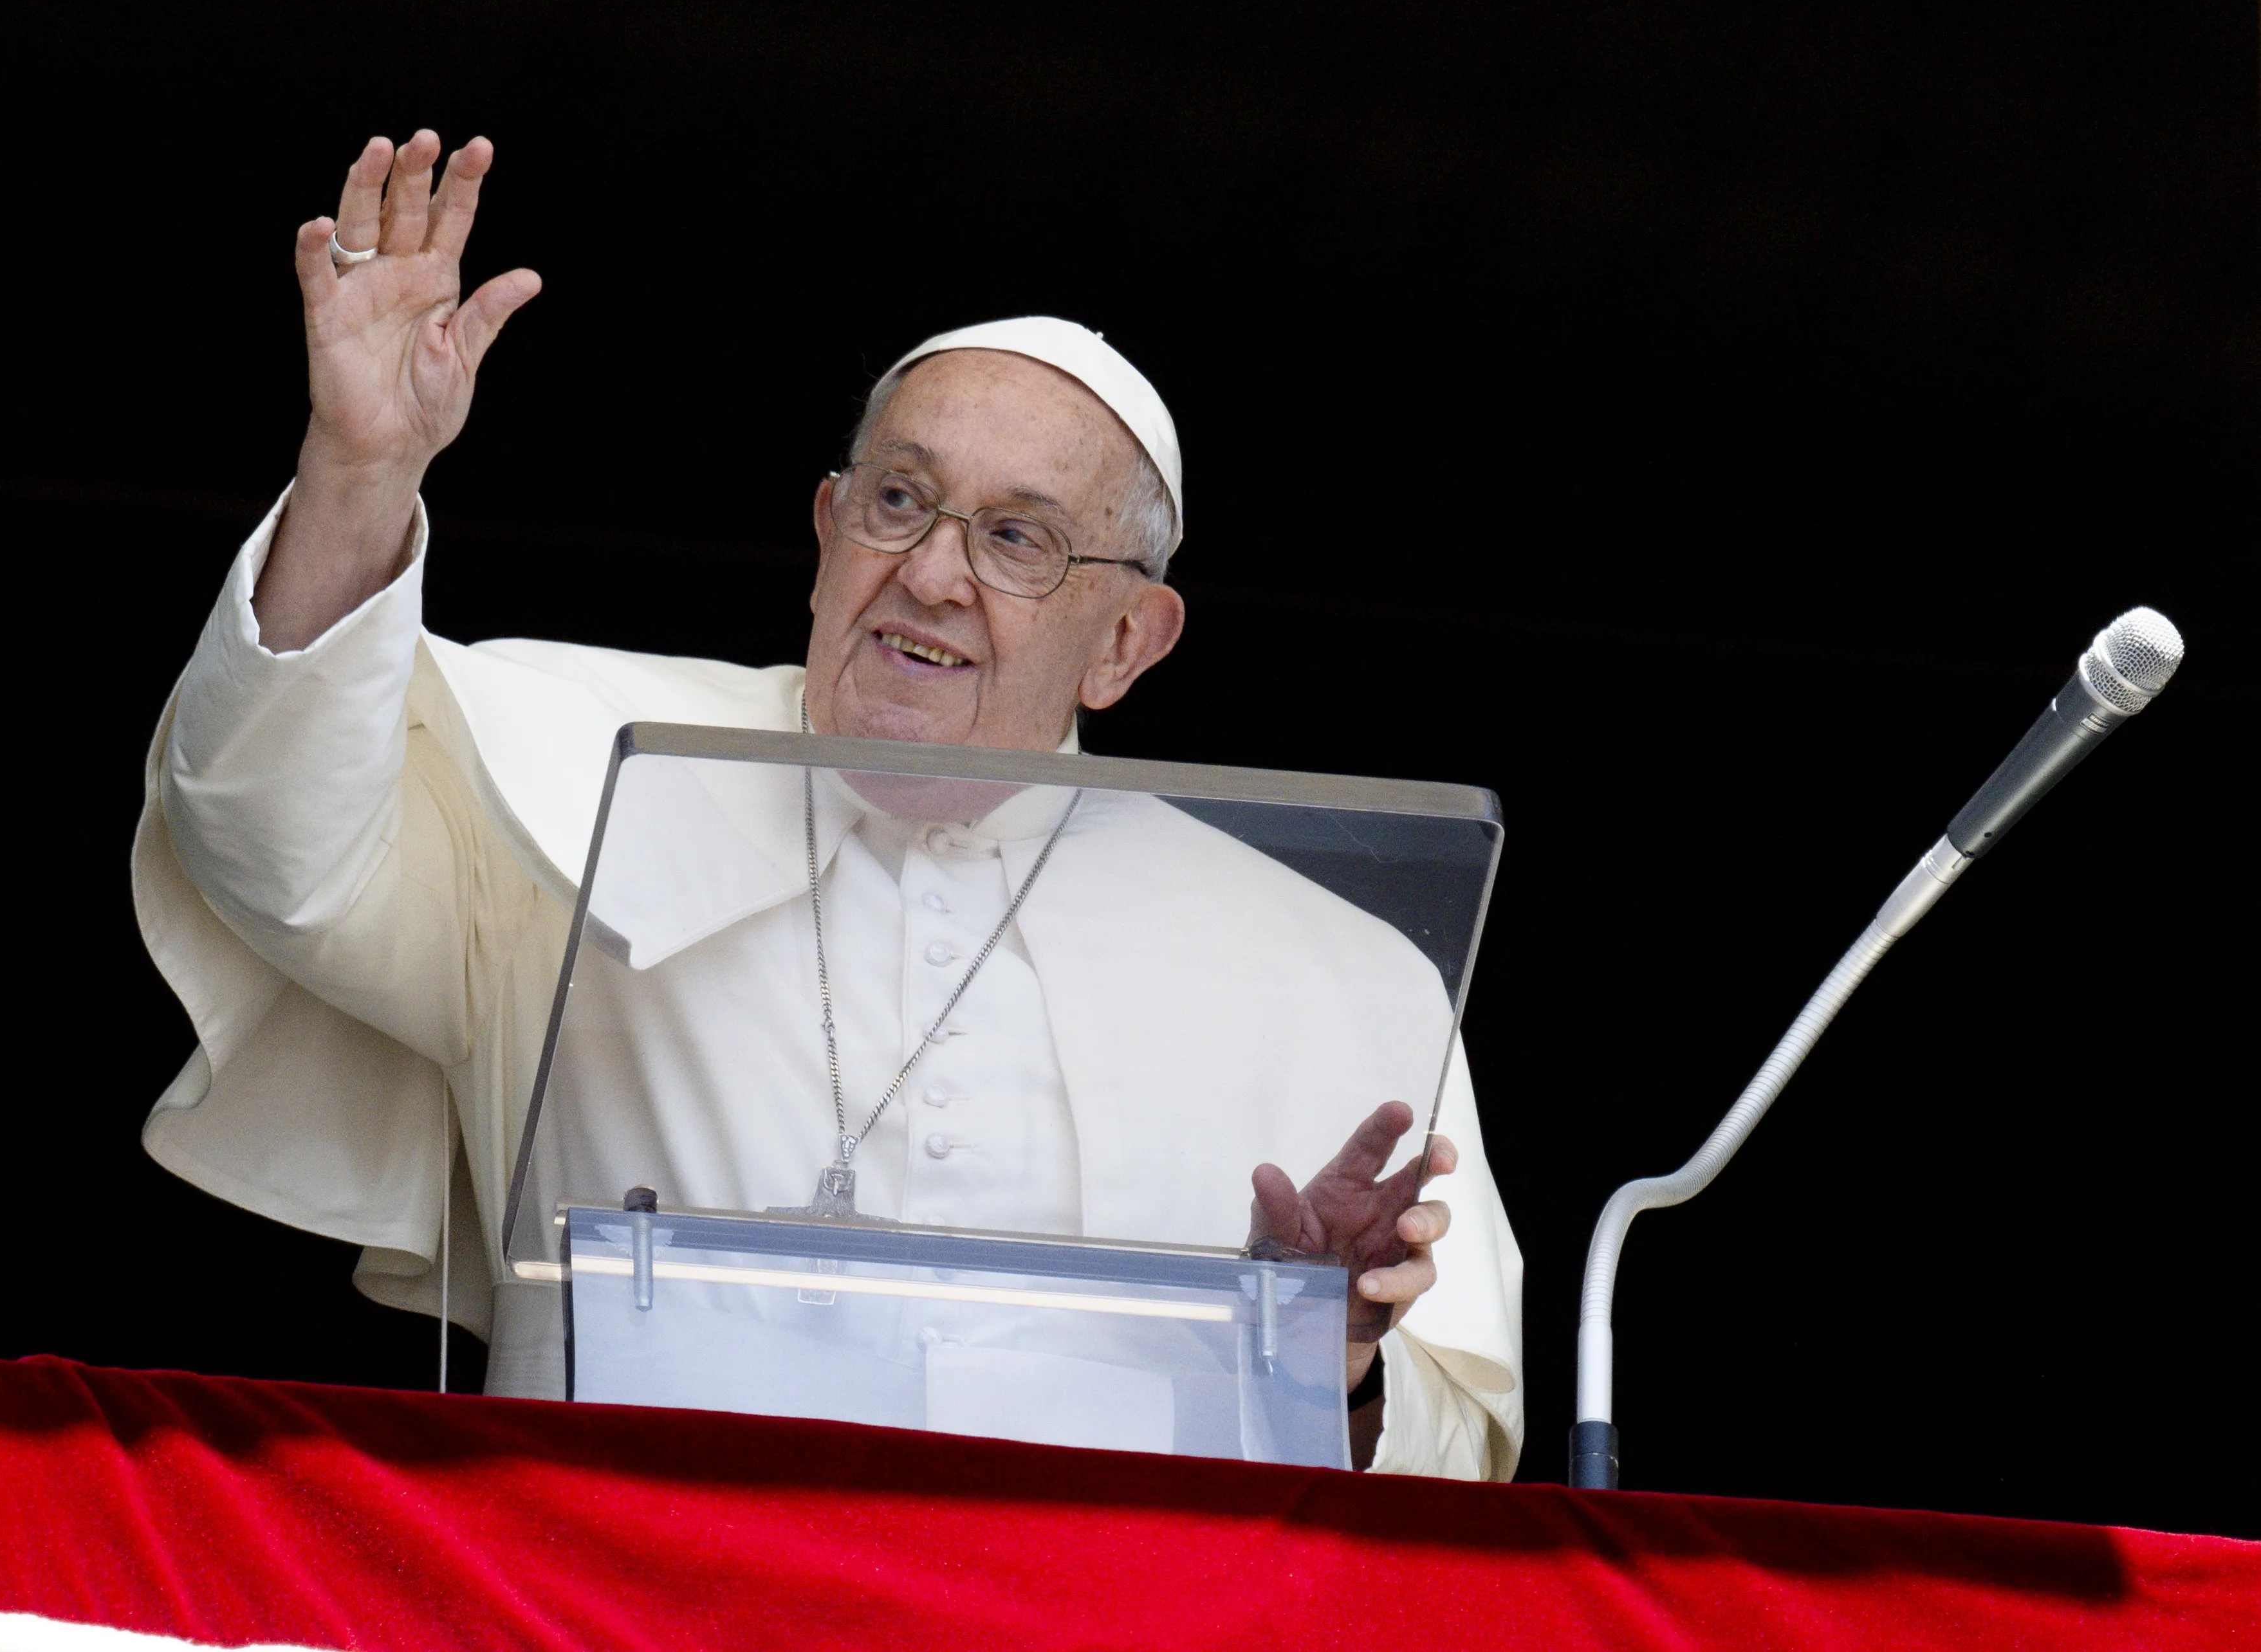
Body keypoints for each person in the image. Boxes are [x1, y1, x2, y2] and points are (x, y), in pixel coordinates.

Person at [134, 129, 1523, 1477]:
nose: (929, 573)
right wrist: (361, 474)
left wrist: (1324, 1359)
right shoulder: (566, 778)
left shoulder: (1325, 971)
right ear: (824, 529)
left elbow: (1451, 1469)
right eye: (900, 499)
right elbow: (271, 842)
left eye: (1017, 537)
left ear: (1124, 642)